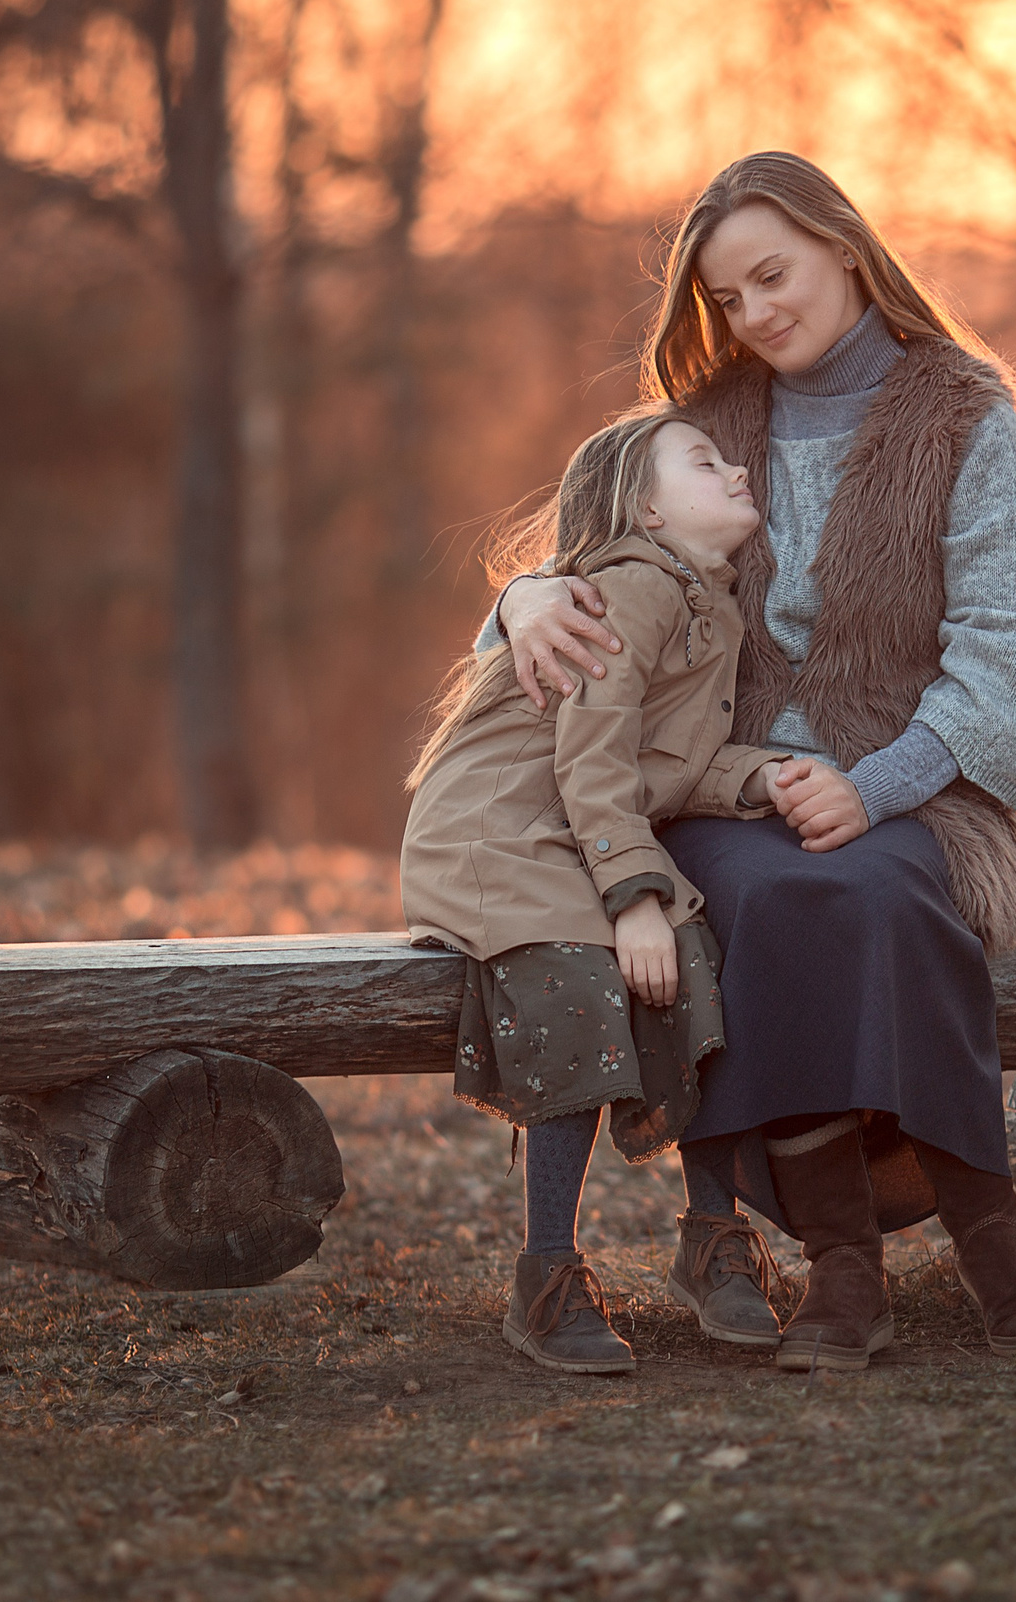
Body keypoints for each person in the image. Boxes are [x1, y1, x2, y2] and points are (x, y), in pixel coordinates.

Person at [490, 152, 1016, 1370]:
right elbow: (579, 567)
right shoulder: (700, 427)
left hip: (923, 788)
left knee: (882, 888)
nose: (755, 312)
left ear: (844, 247)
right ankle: (843, 1259)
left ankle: (988, 1226)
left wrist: (874, 787)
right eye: (728, 297)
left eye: (774, 275)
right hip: (717, 791)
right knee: (768, 895)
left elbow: (1013, 647)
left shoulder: (964, 414)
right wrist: (518, 601)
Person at [404, 406, 792, 1374]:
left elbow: (666, 762)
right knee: (576, 984)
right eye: (703, 462)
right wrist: (634, 899)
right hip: (498, 831)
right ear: (647, 513)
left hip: (580, 823)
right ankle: (545, 1272)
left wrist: (763, 778)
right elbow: (593, 753)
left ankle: (713, 1238)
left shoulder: (709, 603)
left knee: (698, 969)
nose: (737, 471)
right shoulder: (635, 587)